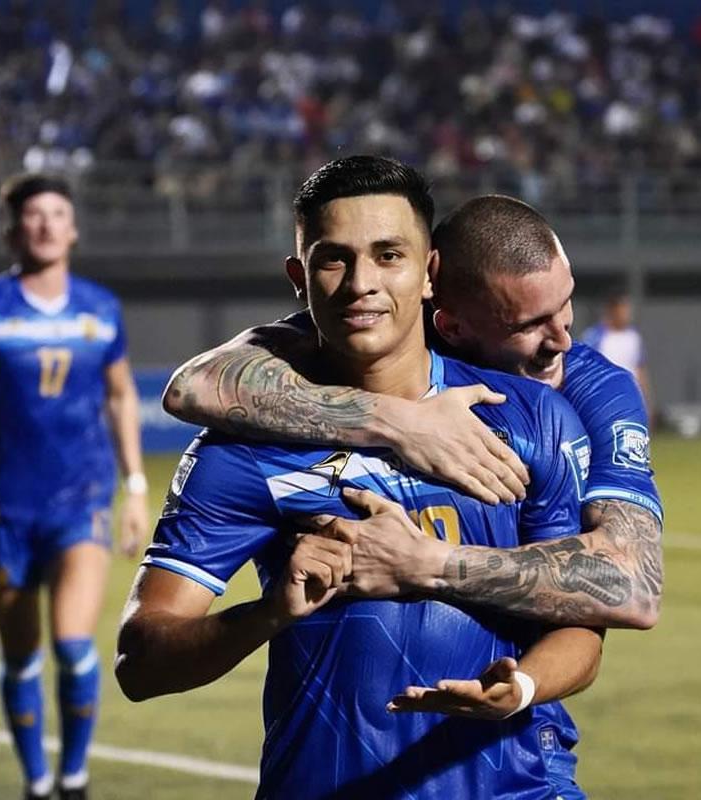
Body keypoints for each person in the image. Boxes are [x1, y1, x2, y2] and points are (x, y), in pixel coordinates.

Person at [116, 156, 604, 798]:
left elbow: (579, 618)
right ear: (299, 278)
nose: (361, 284)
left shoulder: (531, 417)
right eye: (333, 259)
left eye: (388, 255)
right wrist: (269, 612)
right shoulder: (244, 451)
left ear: (429, 274)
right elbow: (140, 663)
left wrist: (525, 687)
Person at [164, 193, 663, 631]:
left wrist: (430, 564)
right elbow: (191, 387)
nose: (562, 341)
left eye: (565, 304)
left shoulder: (597, 388)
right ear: (450, 325)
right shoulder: (393, 326)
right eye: (529, 324)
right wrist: (400, 423)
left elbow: (637, 584)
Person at [0, 173, 150, 799]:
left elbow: (122, 395)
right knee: (21, 656)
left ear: (73, 230)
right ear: (12, 231)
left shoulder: (100, 308)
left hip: (81, 501)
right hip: (5, 509)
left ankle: (73, 779)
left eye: (57, 214)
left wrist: (134, 485)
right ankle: (37, 783)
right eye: (33, 215)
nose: (46, 225)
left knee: (73, 644)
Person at [580, 287, 652, 418]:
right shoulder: (595, 336)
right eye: (623, 308)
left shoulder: (634, 337)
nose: (627, 313)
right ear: (612, 309)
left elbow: (640, 370)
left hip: (630, 398)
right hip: (604, 400)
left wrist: (647, 402)